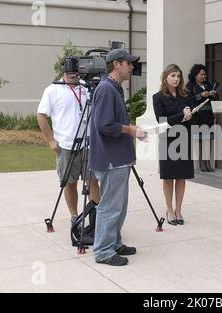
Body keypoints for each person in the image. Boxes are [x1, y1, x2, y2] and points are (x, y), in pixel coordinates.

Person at [88, 49, 148, 266]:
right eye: (128, 63)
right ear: (116, 65)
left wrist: (132, 131)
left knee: (119, 205)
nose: (132, 67)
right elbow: (103, 125)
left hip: (118, 158)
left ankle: (114, 242)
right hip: (110, 158)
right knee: (110, 206)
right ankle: (103, 251)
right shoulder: (106, 89)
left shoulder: (113, 88)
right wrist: (131, 130)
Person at [37, 57, 100, 238]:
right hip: (66, 145)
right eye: (69, 73)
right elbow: (41, 115)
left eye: (75, 73)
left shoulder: (86, 87)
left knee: (94, 181)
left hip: (88, 143)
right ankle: (75, 216)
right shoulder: (53, 90)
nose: (73, 76)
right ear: (63, 71)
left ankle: (96, 217)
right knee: (69, 182)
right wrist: (50, 140)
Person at [153, 64, 195, 226]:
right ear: (165, 78)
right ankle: (169, 210)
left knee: (181, 177)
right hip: (168, 139)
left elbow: (194, 119)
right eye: (173, 76)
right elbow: (161, 121)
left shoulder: (186, 95)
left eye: (178, 76)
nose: (176, 79)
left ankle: (178, 210)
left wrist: (190, 116)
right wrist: (181, 115)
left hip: (184, 137)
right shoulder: (158, 97)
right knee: (169, 176)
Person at [186, 64, 219, 172]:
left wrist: (213, 94)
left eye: (205, 75)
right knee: (199, 140)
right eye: (201, 74)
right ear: (195, 75)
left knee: (208, 139)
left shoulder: (208, 84)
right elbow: (188, 99)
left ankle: (207, 162)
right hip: (197, 116)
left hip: (208, 115)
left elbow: (215, 97)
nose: (203, 77)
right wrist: (201, 95)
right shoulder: (190, 85)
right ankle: (201, 163)